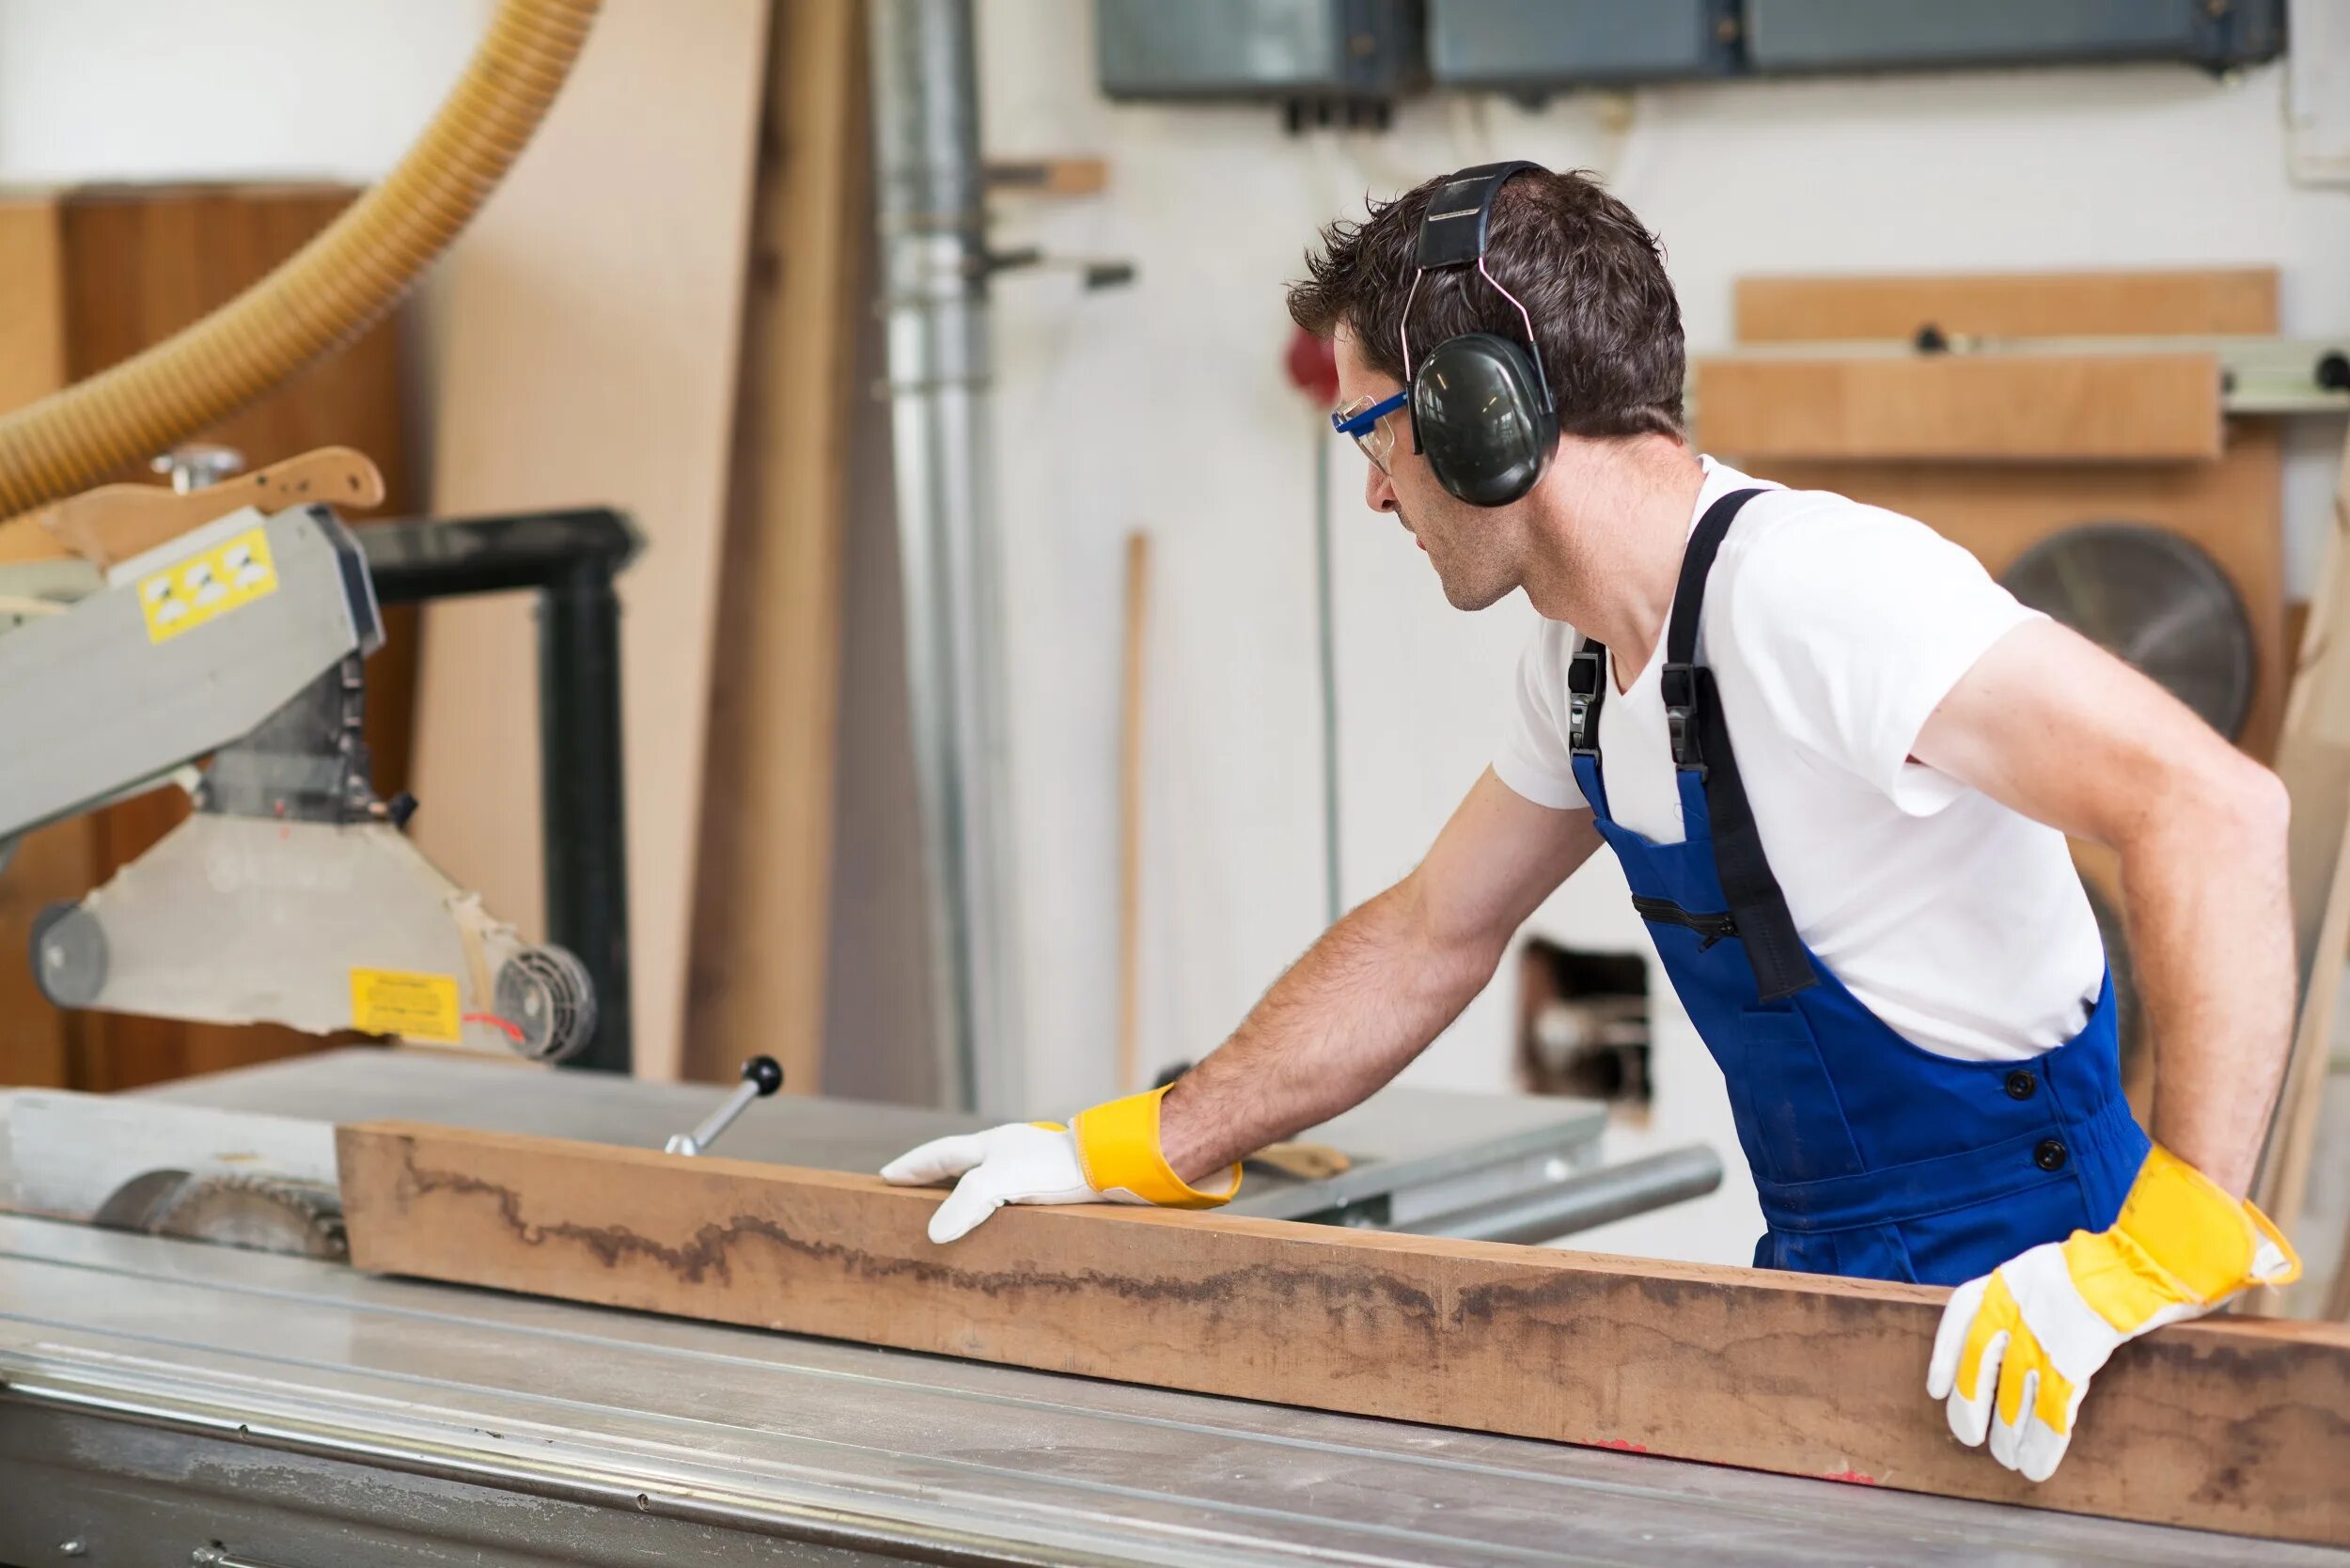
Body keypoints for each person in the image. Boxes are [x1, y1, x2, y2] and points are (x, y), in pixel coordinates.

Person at [882, 162, 2299, 1482]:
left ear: (1481, 420)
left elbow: (2217, 808)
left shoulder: (1814, 597)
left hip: (2047, 1304)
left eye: (1375, 432)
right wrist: (1131, 1147)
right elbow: (1433, 933)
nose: (1375, 488)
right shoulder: (1579, 659)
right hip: (1834, 1288)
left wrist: (2165, 1248)